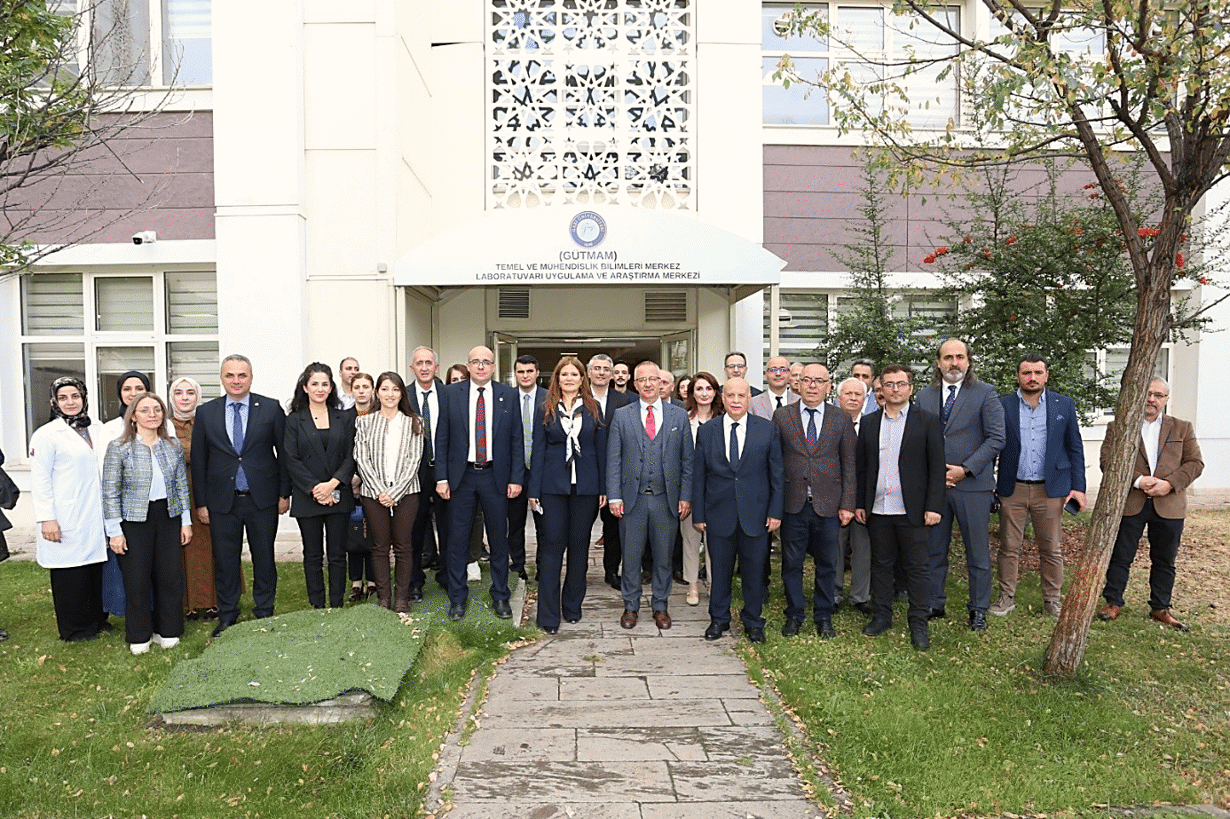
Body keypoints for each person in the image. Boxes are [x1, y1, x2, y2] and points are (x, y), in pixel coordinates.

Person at [191, 354, 290, 637]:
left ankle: (264, 611)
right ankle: (228, 614)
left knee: (264, 557)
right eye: (230, 375)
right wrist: (202, 502)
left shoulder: (270, 409)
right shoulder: (207, 412)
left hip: (262, 498)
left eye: (242, 375)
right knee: (225, 560)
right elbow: (199, 461)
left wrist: (284, 493)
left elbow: (283, 455)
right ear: (222, 378)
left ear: (251, 377)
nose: (236, 381)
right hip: (223, 501)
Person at [1097, 377, 1204, 631]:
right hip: (1131, 501)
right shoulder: (1119, 427)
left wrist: (1169, 484)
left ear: (1166, 400)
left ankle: (1160, 606)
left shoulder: (1182, 428)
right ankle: (1113, 602)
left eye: (1158, 395)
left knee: (1165, 559)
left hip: (1169, 504)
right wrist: (1138, 480)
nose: (1152, 399)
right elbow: (1107, 460)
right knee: (1121, 556)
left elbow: (1195, 463)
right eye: (1147, 393)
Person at [916, 338, 1005, 632]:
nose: (954, 363)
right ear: (938, 363)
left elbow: (996, 438)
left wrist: (965, 469)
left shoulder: (985, 393)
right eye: (947, 357)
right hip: (935, 485)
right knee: (934, 549)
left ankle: (978, 608)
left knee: (977, 553)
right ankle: (934, 602)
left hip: (973, 486)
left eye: (959, 357)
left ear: (968, 361)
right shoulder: (924, 396)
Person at [855, 365, 946, 651]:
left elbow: (936, 468)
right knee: (880, 565)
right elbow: (862, 468)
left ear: (910, 387)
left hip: (914, 509)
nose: (895, 389)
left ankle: (918, 623)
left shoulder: (928, 421)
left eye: (901, 384)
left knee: (917, 568)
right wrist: (860, 503)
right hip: (878, 508)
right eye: (889, 384)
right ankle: (881, 616)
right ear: (880, 388)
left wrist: (933, 506)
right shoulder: (869, 423)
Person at [992, 354, 1086, 618]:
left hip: (1051, 488)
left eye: (1037, 372)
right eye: (1026, 373)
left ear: (1046, 375)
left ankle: (1053, 600)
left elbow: (1074, 447)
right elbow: (993, 445)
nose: (1032, 378)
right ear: (1017, 376)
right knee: (1009, 547)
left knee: (1051, 548)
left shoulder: (1063, 405)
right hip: (1013, 487)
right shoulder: (1003, 405)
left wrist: (1078, 486)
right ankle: (1006, 597)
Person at [435, 346, 525, 621]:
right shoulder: (451, 394)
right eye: (476, 362)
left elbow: (516, 440)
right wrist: (441, 477)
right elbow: (442, 438)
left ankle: (500, 596)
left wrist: (516, 478)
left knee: (499, 539)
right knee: (458, 539)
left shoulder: (508, 395)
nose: (481, 366)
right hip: (462, 477)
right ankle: (458, 598)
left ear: (494, 366)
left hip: (495, 475)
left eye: (486, 362)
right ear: (468, 365)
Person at [692, 377, 782, 644]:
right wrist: (699, 514)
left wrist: (775, 512)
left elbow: (777, 475)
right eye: (730, 395)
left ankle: (754, 621)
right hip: (719, 514)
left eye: (741, 396)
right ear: (722, 397)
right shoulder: (708, 431)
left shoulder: (766, 429)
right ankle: (718, 619)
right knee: (719, 572)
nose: (735, 401)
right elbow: (699, 476)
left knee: (754, 574)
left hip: (756, 516)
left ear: (749, 399)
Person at [102, 393, 192, 654]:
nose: (152, 414)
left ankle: (169, 630)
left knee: (170, 577)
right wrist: (114, 531)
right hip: (133, 521)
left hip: (168, 517)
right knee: (137, 579)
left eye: (157, 409)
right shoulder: (118, 447)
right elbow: (110, 491)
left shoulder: (172, 445)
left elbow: (181, 486)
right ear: (133, 416)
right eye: (145, 410)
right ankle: (140, 634)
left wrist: (185, 522)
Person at [606, 359, 693, 630]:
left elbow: (687, 461)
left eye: (652, 379)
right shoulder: (623, 415)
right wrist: (614, 496)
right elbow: (614, 460)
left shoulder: (678, 416)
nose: (647, 384)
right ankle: (630, 606)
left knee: (663, 556)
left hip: (665, 498)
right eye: (641, 380)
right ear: (635, 384)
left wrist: (685, 496)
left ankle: (660, 605)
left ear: (661, 382)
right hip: (632, 499)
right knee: (630, 556)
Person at [773, 363, 856, 639]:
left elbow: (850, 464)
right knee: (792, 563)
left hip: (829, 504)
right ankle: (795, 614)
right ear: (798, 384)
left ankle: (823, 615)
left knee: (828, 564)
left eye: (819, 381)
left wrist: (847, 503)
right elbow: (774, 462)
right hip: (792, 503)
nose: (812, 385)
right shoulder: (782, 416)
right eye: (807, 380)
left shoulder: (841, 418)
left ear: (828, 386)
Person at [528, 357, 607, 633]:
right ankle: (548, 616)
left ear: (582, 379)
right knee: (551, 551)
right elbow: (538, 450)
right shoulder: (546, 409)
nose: (570, 378)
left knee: (579, 550)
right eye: (565, 374)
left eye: (575, 374)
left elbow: (601, 450)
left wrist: (604, 488)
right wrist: (533, 490)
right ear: (557, 379)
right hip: (552, 489)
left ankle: (572, 607)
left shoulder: (593, 408)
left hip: (585, 489)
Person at [29, 378, 108, 642]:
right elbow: (40, 480)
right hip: (64, 514)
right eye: (64, 398)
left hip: (94, 512)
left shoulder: (97, 428)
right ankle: (75, 629)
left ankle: (98, 621)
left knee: (94, 570)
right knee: (70, 574)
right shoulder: (46, 435)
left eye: (75, 396)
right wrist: (46, 518)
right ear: (55, 401)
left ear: (84, 397)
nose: (71, 402)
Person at [284, 362, 357, 609]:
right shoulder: (294, 420)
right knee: (312, 555)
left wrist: (332, 486)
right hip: (308, 496)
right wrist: (317, 489)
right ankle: (317, 606)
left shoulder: (344, 417)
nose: (320, 388)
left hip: (338, 494)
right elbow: (290, 459)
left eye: (324, 384)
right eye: (314, 384)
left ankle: (336, 605)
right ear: (305, 387)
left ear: (331, 387)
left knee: (337, 555)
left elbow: (351, 455)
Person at [96, 370, 165, 626]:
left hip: (157, 510)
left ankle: (159, 612)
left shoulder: (159, 425)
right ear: (119, 394)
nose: (133, 394)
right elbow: (106, 474)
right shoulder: (109, 430)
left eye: (139, 388)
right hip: (126, 510)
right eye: (127, 389)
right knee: (129, 569)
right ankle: (131, 614)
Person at [354, 372, 425, 612]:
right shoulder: (364, 422)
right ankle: (384, 597)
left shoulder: (414, 421)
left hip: (407, 493)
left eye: (395, 389)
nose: (390, 394)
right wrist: (380, 490)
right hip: (374, 494)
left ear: (402, 393)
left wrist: (395, 492)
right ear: (377, 392)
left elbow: (414, 460)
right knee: (380, 546)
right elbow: (361, 459)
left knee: (404, 546)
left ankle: (402, 598)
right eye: (385, 389)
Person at [168, 376, 220, 621]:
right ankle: (187, 602)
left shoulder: (209, 422)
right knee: (180, 548)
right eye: (179, 393)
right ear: (172, 397)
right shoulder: (164, 426)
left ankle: (213, 601)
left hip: (207, 491)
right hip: (175, 493)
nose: (185, 398)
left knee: (210, 547)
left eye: (190, 392)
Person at [589, 354, 633, 590]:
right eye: (597, 368)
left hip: (616, 473)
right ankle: (579, 572)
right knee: (581, 527)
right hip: (585, 473)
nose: (602, 373)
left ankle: (611, 571)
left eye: (607, 369)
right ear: (589, 373)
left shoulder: (623, 401)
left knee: (613, 529)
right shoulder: (578, 397)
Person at [680, 371, 723, 606]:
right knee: (690, 538)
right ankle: (692, 585)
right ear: (692, 393)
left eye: (708, 388)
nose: (704, 393)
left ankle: (714, 583)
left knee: (716, 540)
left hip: (718, 490)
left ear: (715, 392)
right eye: (699, 389)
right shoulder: (682, 419)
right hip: (689, 488)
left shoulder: (725, 419)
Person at [408, 347, 447, 600]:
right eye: (419, 363)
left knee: (449, 526)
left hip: (444, 470)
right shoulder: (404, 396)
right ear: (412, 368)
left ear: (436, 367)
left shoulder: (450, 395)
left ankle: (447, 576)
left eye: (428, 363)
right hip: (413, 473)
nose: (424, 367)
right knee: (413, 528)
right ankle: (414, 581)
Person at [445, 363, 489, 582]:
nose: (460, 383)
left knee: (477, 518)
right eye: (455, 380)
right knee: (455, 522)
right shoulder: (448, 401)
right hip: (455, 471)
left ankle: (473, 559)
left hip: (481, 470)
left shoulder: (485, 400)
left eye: (464, 378)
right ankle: (452, 566)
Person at [508, 354, 546, 583]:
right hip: (515, 471)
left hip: (541, 471)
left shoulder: (549, 398)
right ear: (515, 374)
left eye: (529, 371)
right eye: (521, 371)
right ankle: (518, 565)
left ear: (537, 373)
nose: (525, 375)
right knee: (514, 523)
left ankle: (543, 565)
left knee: (545, 524)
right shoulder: (506, 398)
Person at [836, 377, 872, 615]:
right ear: (839, 398)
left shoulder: (872, 425)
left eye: (858, 395)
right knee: (834, 547)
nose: (852, 398)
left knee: (864, 548)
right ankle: (834, 593)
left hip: (865, 498)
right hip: (833, 498)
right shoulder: (829, 423)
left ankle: (861, 596)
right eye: (848, 394)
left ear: (865, 399)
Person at [347, 372, 378, 602]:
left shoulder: (380, 415)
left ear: (372, 390)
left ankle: (373, 580)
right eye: (357, 386)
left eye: (365, 386)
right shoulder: (343, 417)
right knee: (354, 533)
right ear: (351, 390)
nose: (361, 391)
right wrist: (352, 478)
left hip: (375, 482)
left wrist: (365, 477)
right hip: (349, 482)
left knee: (374, 532)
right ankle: (356, 581)